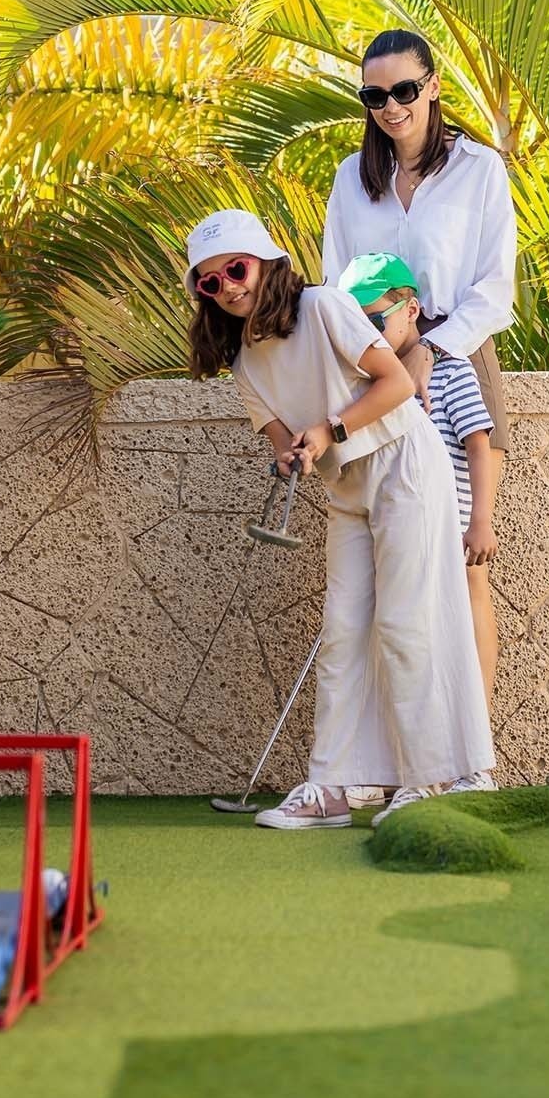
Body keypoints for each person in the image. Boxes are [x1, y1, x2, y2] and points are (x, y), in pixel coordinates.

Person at [184, 208, 495, 829]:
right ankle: (330, 786)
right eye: (210, 282)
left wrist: (330, 429)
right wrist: (294, 454)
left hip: (404, 462)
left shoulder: (325, 306)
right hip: (346, 486)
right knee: (343, 632)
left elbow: (397, 385)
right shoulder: (245, 362)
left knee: (406, 624)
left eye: (236, 269)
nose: (229, 287)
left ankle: (429, 778)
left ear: (266, 264)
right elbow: (282, 438)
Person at [322, 29, 517, 709]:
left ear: (432, 85)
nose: (391, 106)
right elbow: (333, 284)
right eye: (374, 95)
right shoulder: (352, 179)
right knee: (391, 561)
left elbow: (495, 288)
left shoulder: (478, 169)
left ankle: (474, 751)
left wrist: (433, 350)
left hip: (459, 352)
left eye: (405, 90)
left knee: (466, 569)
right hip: (375, 366)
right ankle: (396, 752)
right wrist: (375, 363)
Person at [337, 252, 501, 709]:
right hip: (399, 528)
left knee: (454, 622)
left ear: (411, 310)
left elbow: (477, 443)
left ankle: (468, 725)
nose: (367, 336)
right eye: (355, 326)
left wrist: (481, 521)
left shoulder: (451, 370)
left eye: (375, 320)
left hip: (453, 526)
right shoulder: (366, 382)